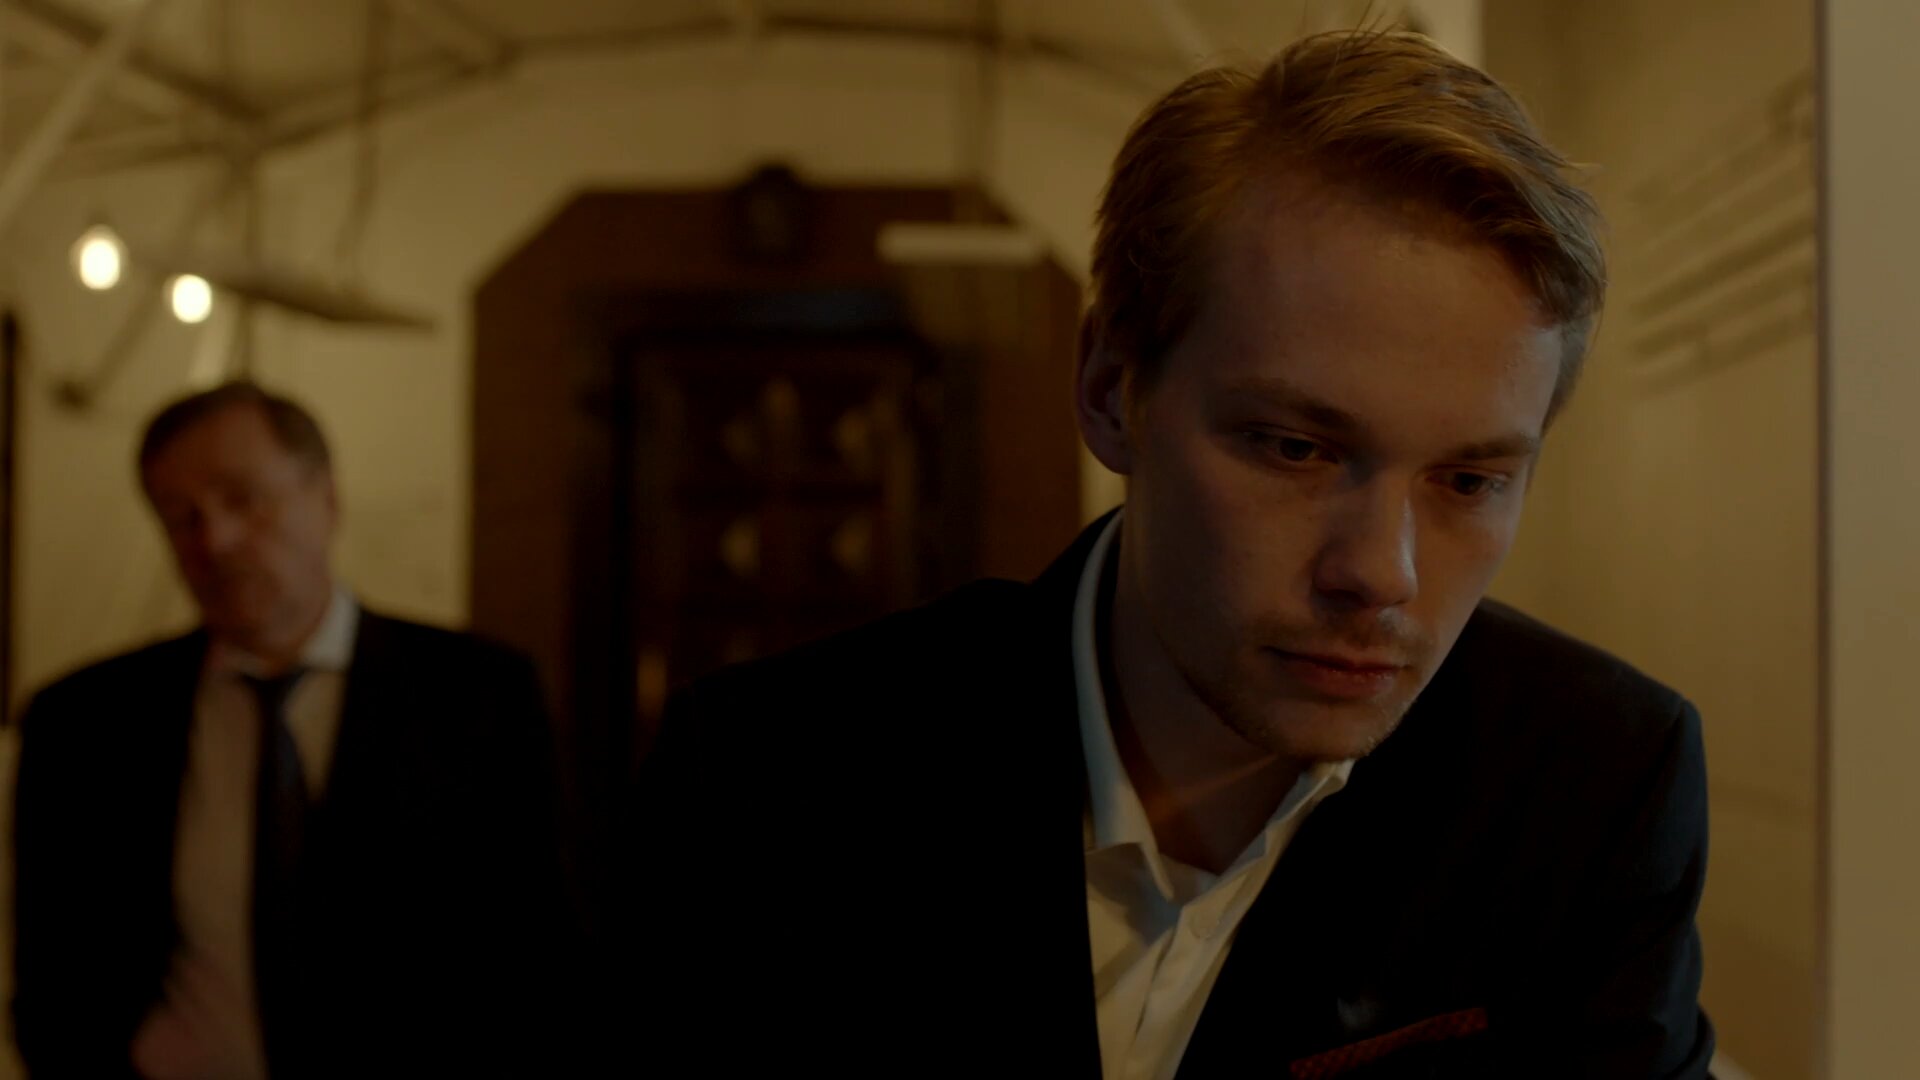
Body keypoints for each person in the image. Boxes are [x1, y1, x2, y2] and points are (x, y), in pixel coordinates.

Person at [629, 29, 1713, 1079]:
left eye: (1470, 481)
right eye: (1293, 447)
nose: (1383, 575)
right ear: (1112, 391)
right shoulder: (770, 775)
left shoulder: (1592, 780)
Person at [13, 382, 579, 1078]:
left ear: (327, 497)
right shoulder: (86, 721)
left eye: (243, 498)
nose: (214, 541)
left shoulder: (477, 695)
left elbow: (541, 954)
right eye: (180, 517)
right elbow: (54, 980)